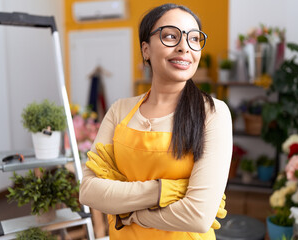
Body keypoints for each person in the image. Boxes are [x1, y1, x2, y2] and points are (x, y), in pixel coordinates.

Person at [79, 3, 232, 240]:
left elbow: (198, 216)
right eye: (171, 36)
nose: (184, 47)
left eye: (194, 39)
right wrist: (166, 190)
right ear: (146, 49)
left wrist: (127, 214)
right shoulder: (120, 110)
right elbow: (89, 191)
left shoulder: (213, 113)